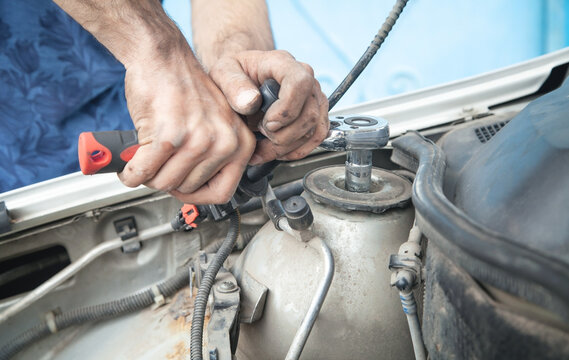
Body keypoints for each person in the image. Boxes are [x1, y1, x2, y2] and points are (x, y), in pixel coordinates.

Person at [0, 0, 329, 204]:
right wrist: (160, 51)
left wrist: (235, 68)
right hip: (14, 174)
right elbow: (159, 55)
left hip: (149, 123)